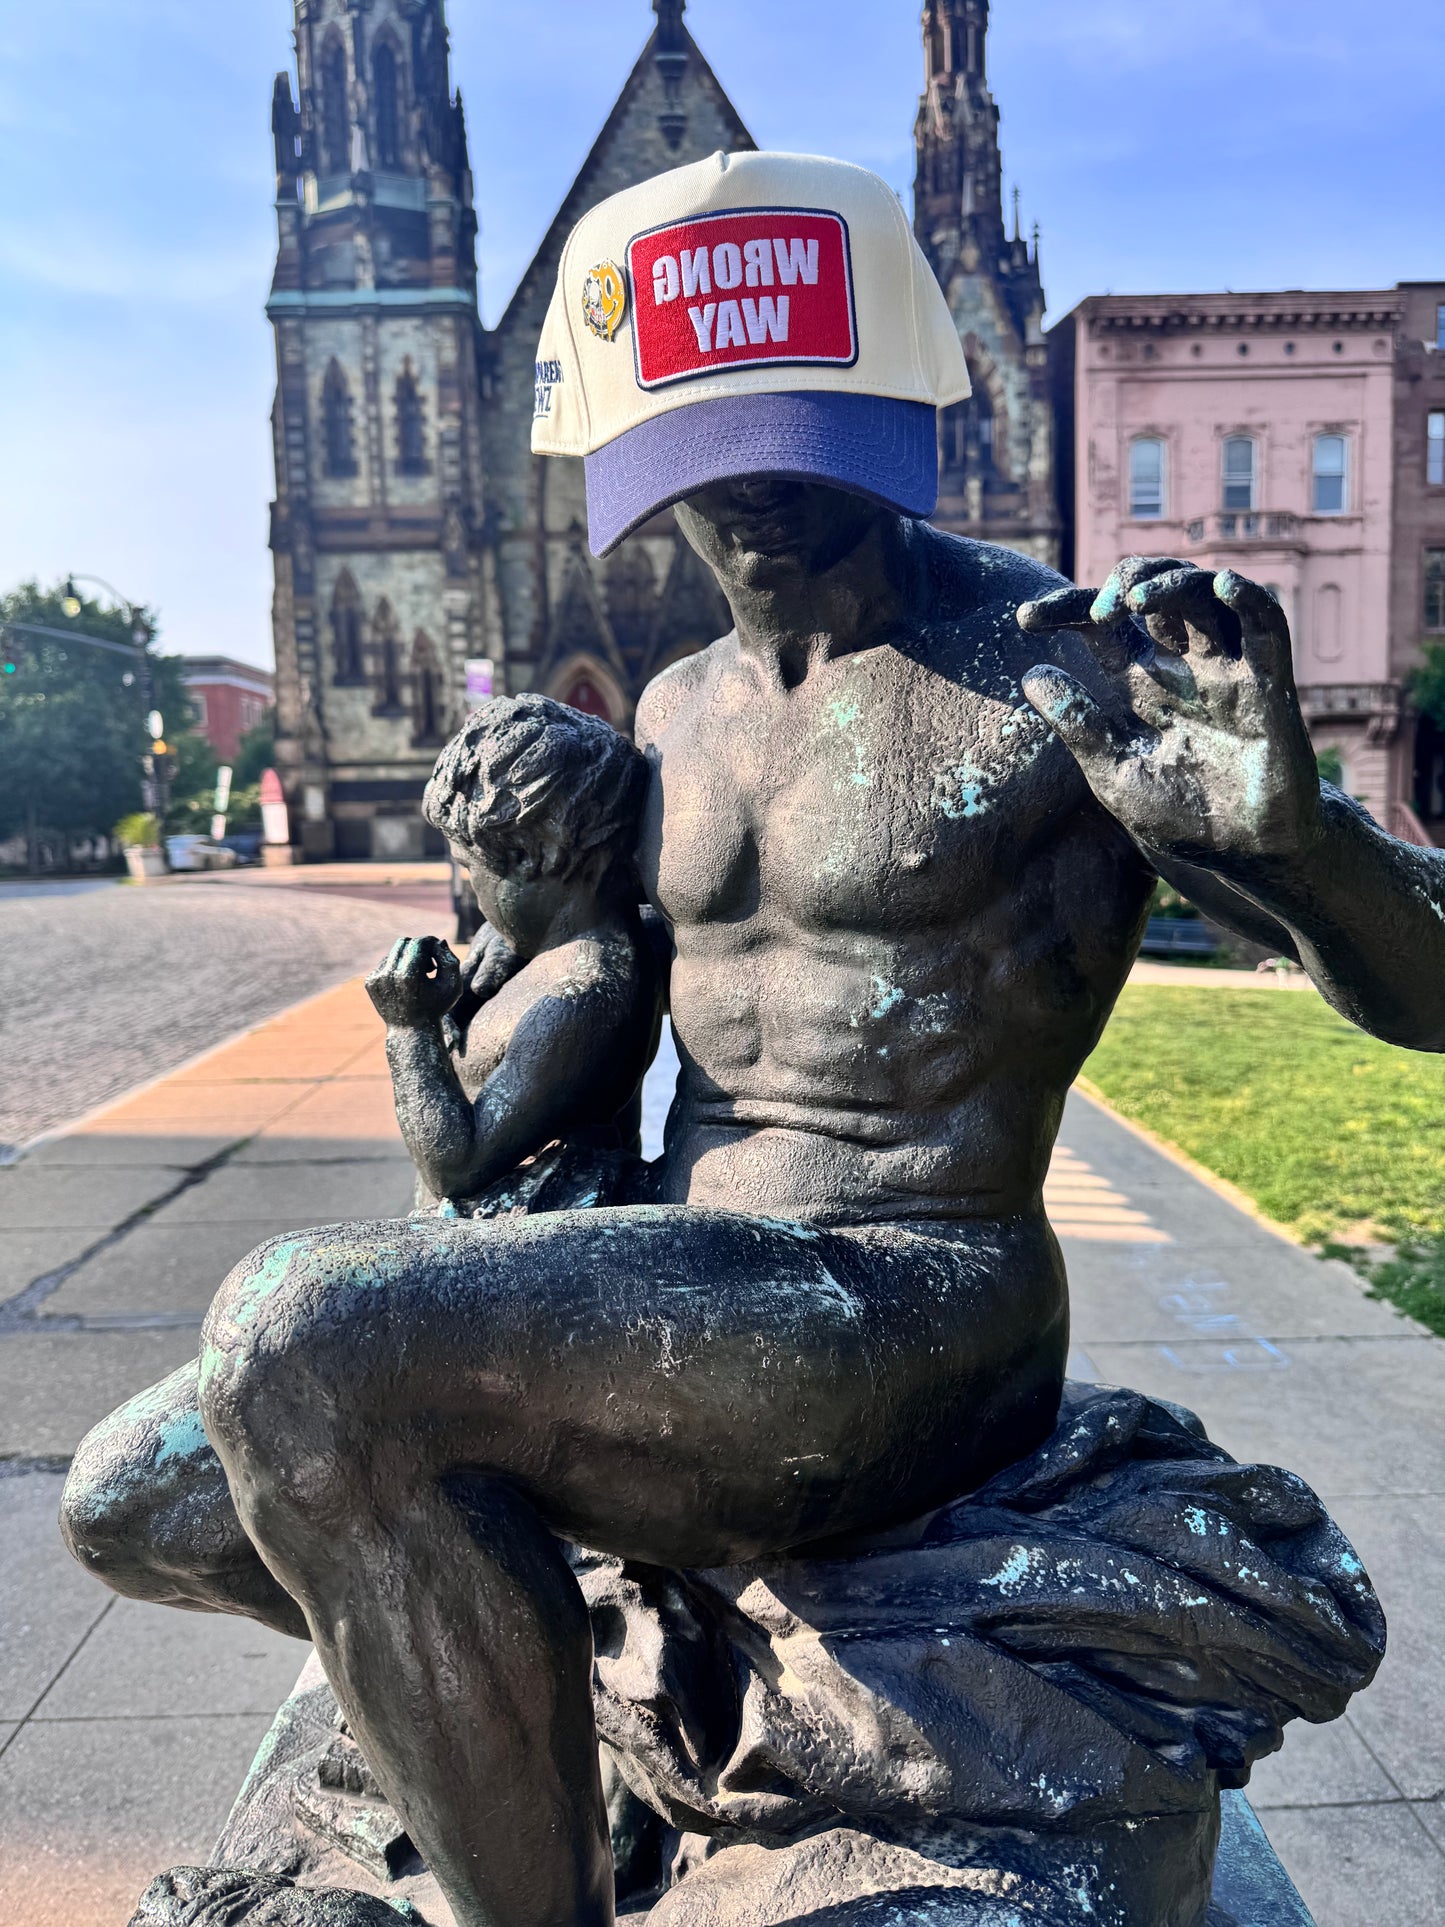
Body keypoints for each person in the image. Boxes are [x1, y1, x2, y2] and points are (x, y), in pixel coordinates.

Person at [62, 152, 1445, 1927]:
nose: (766, 499)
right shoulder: (670, 704)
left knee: (299, 1331)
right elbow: (564, 996)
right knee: (142, 1502)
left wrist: (1300, 843)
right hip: (683, 1289)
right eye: (712, 460)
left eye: (812, 440)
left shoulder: (1050, 667)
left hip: (911, 1301)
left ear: (900, 401)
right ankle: (535, 1722)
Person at [368, 693, 661, 1216]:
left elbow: (457, 1166)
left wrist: (409, 1029)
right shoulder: (553, 953)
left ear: (530, 857)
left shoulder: (579, 998)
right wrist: (505, 941)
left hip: (533, 1249)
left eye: (468, 868)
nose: (472, 890)